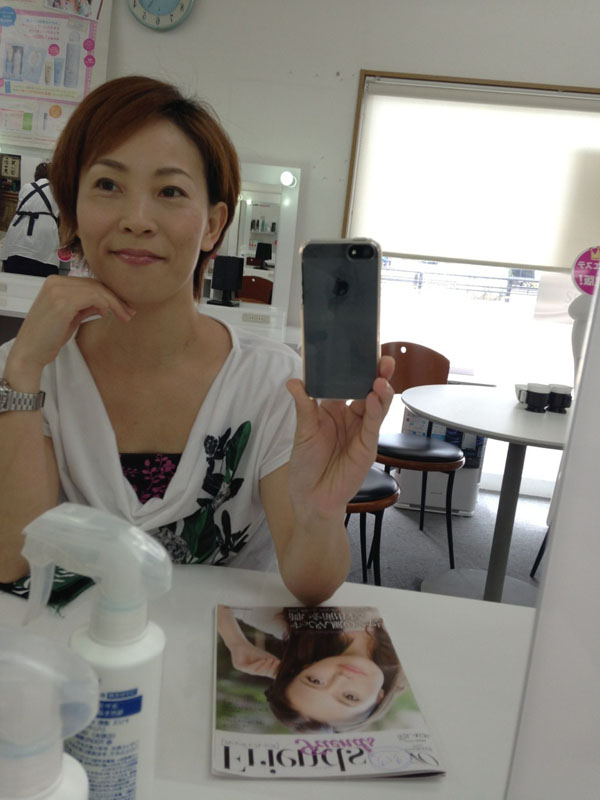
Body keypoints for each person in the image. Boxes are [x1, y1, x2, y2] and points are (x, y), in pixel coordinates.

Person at [0, 76, 394, 606]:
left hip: (215, 654)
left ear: (212, 225)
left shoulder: (272, 384)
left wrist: (321, 512)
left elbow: (310, 584)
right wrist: (23, 367)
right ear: (72, 211)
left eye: (170, 192)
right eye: (108, 185)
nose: (137, 220)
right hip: (75, 653)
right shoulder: (28, 373)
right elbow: (14, 562)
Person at [217, 605, 407, 732]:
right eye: (350, 697)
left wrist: (235, 642)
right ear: (378, 698)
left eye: (315, 681)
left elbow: (219, 599)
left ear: (306, 668)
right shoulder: (408, 658)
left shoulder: (290, 624)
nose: (340, 678)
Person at [1, 161, 60, 277]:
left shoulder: (26, 187)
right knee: (40, 283)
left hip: (16, 241)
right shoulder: (57, 191)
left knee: (13, 281)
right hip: (44, 243)